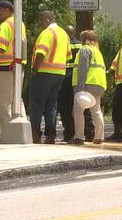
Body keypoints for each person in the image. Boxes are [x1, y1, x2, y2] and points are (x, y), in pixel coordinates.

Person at [29, 11, 72, 144]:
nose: (39, 23)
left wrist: (35, 69)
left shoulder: (46, 33)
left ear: (47, 19)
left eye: (40, 20)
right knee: (51, 105)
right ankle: (51, 135)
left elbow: (41, 53)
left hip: (44, 73)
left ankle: (35, 134)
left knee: (36, 103)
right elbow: (68, 56)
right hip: (59, 74)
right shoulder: (64, 34)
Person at [0, 0, 27, 126]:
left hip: (4, 69)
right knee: (17, 100)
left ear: (8, 10)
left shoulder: (5, 25)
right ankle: (21, 129)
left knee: (3, 102)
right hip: (17, 67)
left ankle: (8, 132)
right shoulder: (19, 24)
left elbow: (1, 47)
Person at [57, 25, 95, 142]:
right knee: (84, 107)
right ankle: (89, 133)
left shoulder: (63, 44)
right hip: (77, 79)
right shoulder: (82, 46)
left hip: (65, 78)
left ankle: (69, 134)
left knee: (65, 108)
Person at [70, 30, 106, 145]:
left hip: (87, 84)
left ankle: (79, 137)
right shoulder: (97, 51)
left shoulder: (85, 49)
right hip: (98, 85)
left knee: (78, 110)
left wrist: (80, 88)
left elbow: (82, 69)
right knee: (96, 110)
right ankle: (99, 137)